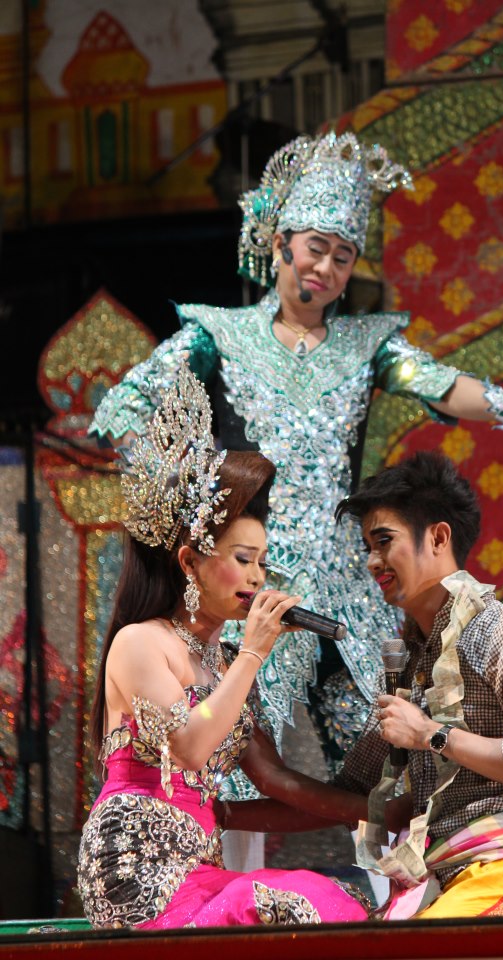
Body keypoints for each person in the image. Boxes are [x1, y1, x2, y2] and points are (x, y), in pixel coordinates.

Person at [90, 131, 503, 785]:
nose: (325, 267)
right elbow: (123, 407)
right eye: (316, 248)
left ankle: (389, 854)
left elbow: (440, 384)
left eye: (342, 257)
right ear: (280, 244)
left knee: (381, 757)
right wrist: (185, 492)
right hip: (247, 579)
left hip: (344, 584)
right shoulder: (220, 335)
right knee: (228, 761)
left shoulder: (366, 344)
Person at [77, 364, 371, 929]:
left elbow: (276, 783)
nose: (258, 578)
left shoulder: (227, 663)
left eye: (262, 562)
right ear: (189, 561)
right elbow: (189, 746)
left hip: (201, 864)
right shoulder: (140, 642)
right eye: (243, 559)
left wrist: (378, 810)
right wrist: (255, 653)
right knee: (290, 907)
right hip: (134, 866)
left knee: (332, 901)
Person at [217, 451, 503, 919]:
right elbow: (347, 799)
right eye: (367, 547)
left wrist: (431, 734)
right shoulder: (409, 661)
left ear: (438, 537)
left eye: (384, 542)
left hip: (501, 869)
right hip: (437, 879)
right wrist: (216, 814)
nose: (372, 562)